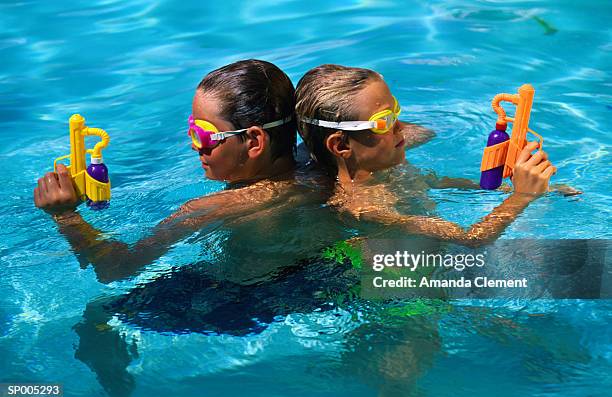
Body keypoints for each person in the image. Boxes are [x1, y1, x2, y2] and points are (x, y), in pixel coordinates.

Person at [33, 59, 304, 283]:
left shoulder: (211, 208)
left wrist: (65, 215)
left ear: (255, 142)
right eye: (192, 128)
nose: (193, 145)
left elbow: (115, 269)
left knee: (103, 313)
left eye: (203, 135)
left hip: (252, 296)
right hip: (302, 272)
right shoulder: (316, 168)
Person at [295, 64, 571, 246]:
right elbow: (470, 239)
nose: (401, 127)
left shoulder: (386, 168)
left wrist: (520, 186)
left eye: (396, 112)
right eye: (383, 122)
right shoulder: (364, 207)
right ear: (340, 145)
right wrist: (521, 197)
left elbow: (437, 181)